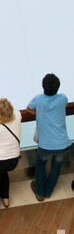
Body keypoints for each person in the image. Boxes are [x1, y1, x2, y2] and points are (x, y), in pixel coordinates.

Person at [25, 72, 70, 200]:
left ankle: (40, 191)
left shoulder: (38, 99)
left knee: (40, 165)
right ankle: (49, 191)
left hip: (45, 145)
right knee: (56, 167)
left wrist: (39, 113)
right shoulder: (63, 99)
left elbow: (28, 109)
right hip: (62, 143)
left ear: (43, 86)